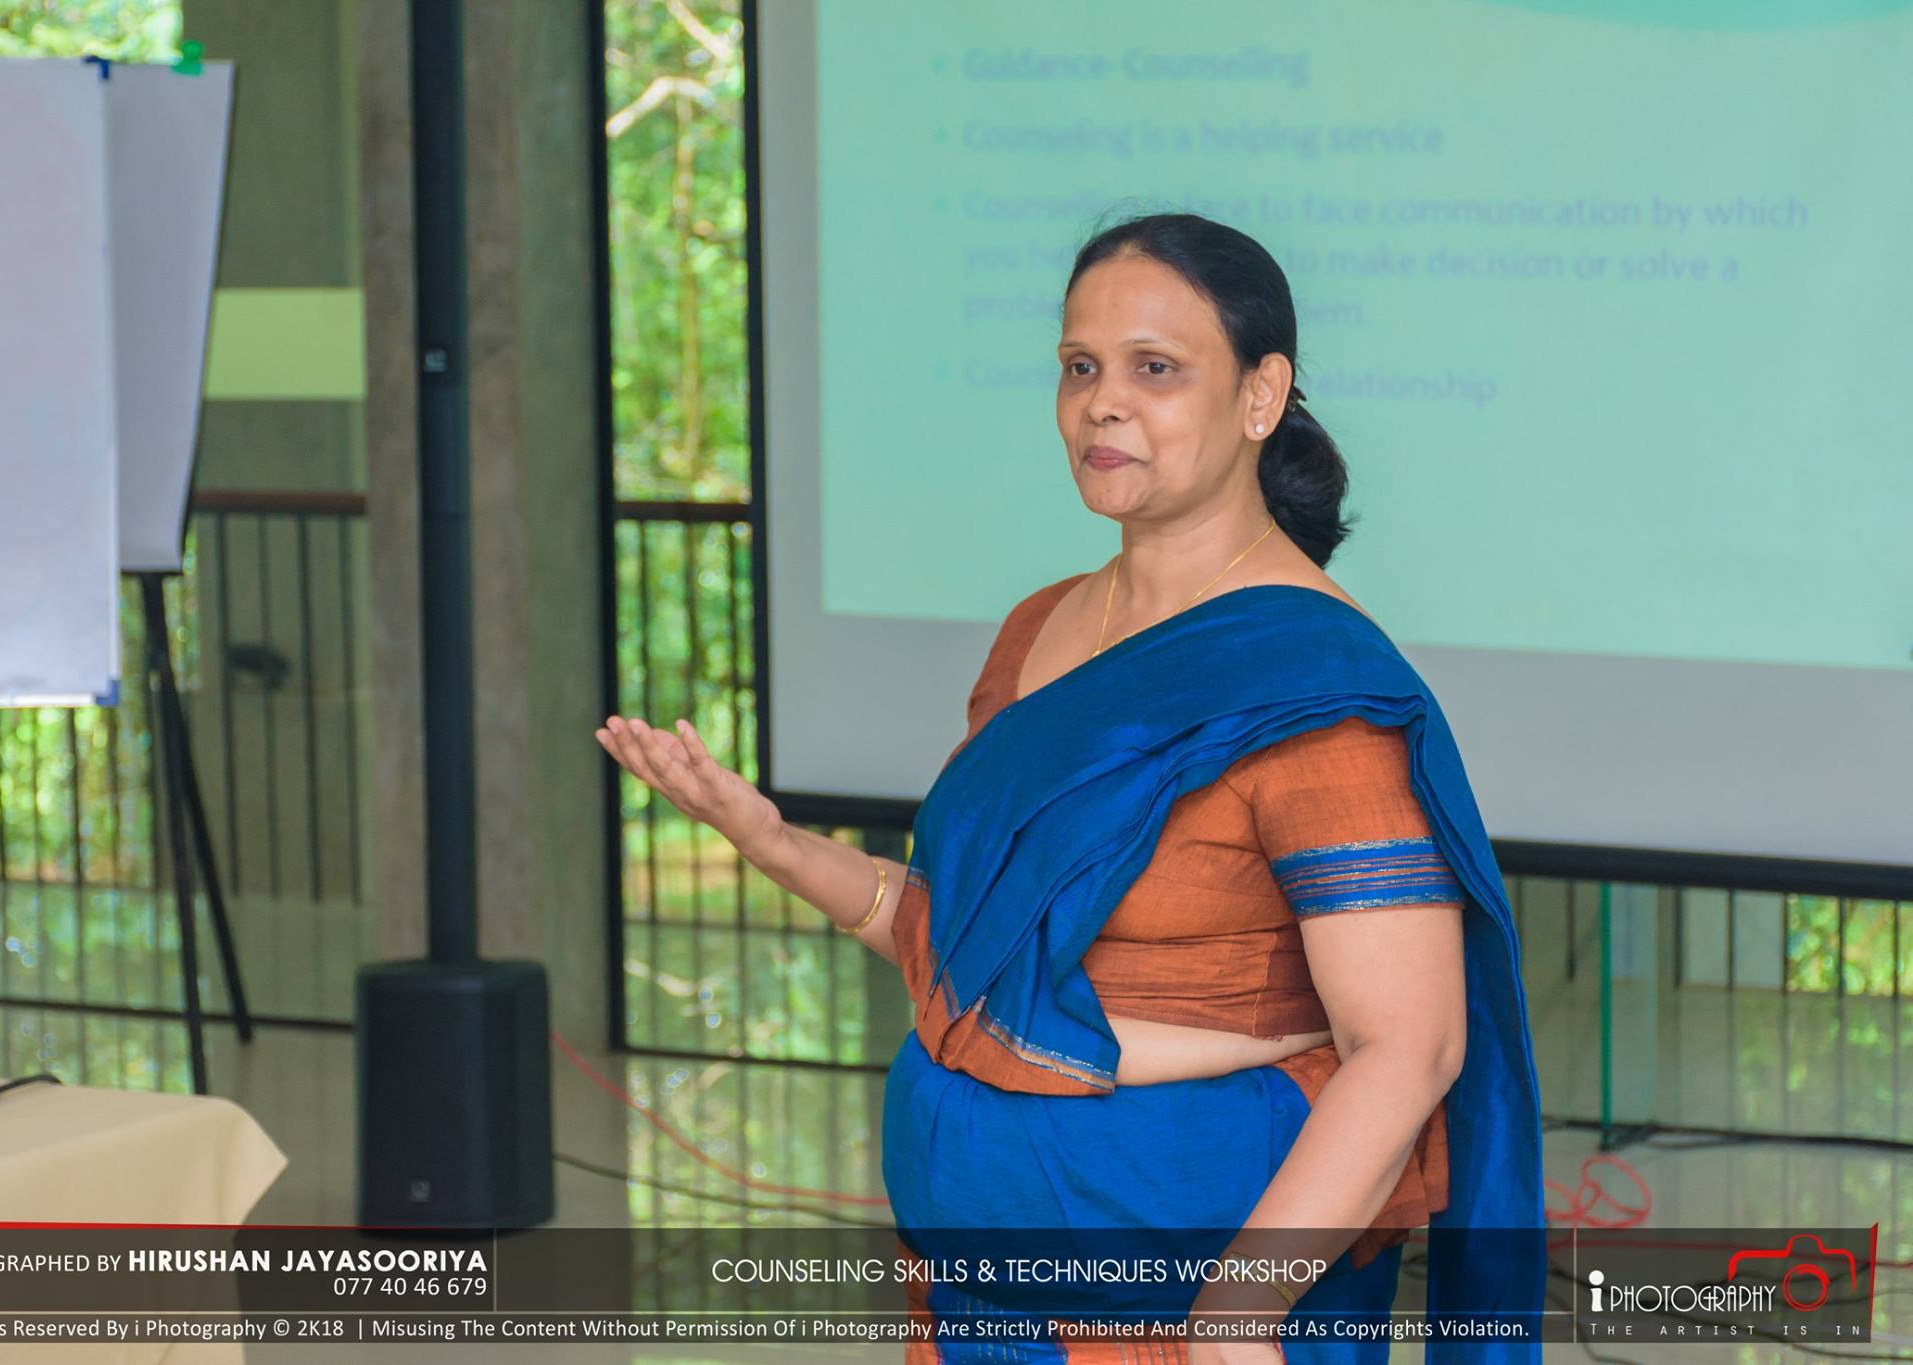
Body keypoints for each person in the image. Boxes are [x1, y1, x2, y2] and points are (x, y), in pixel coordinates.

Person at [595, 210, 1545, 1363]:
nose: (1103, 403)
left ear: (1259, 396)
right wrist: (770, 840)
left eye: (1155, 368)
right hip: (968, 1302)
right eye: (1079, 367)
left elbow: (1409, 1047)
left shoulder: (1310, 691)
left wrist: (1237, 1313)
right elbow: (963, 948)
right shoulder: (1038, 630)